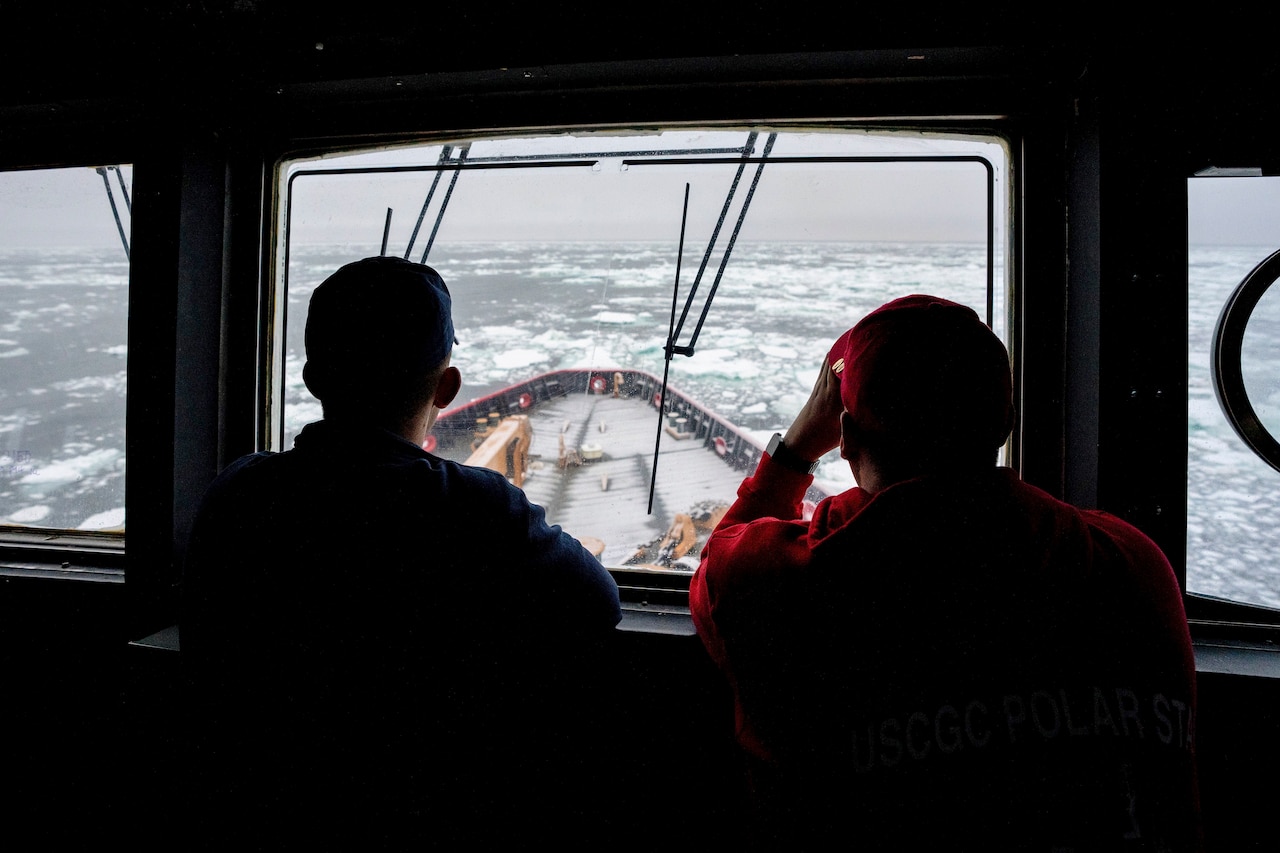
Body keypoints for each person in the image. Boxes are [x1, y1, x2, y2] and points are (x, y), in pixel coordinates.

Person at [689, 295, 1201, 851]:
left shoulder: (782, 582)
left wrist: (794, 452)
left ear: (847, 438)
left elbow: (717, 569)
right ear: (1006, 422)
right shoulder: (1132, 565)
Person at [181, 256, 622, 849]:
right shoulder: (477, 508)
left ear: (313, 379)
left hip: (253, 814)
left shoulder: (238, 493)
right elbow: (598, 601)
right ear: (447, 387)